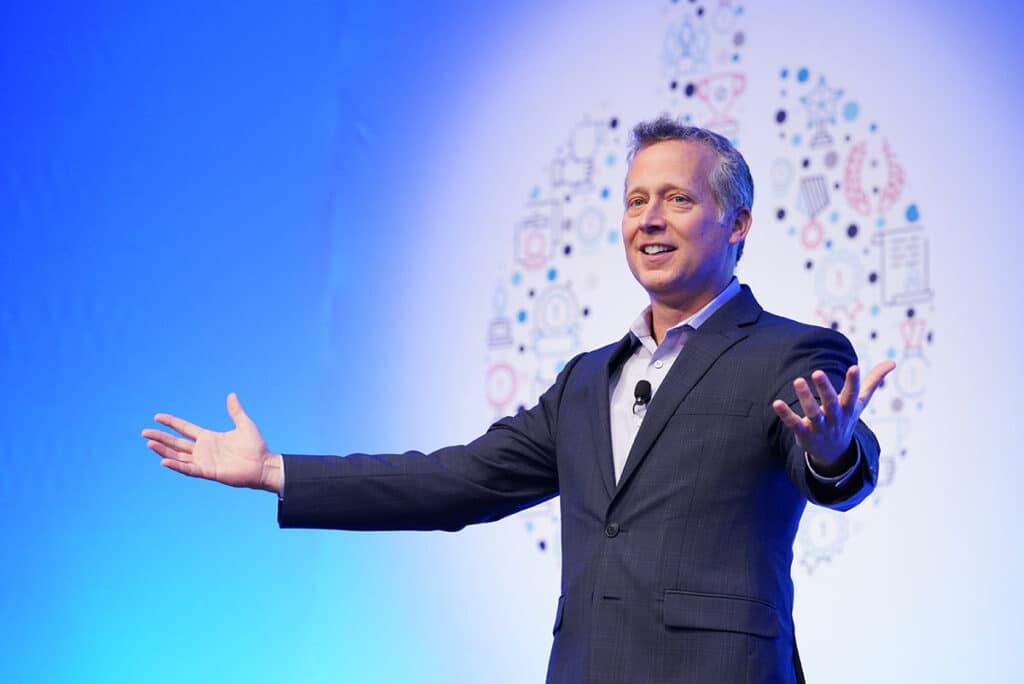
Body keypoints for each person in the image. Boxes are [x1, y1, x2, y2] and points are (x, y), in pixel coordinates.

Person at [142, 117, 894, 684]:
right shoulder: (585, 381)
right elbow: (456, 480)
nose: (649, 218)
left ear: (737, 224)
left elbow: (837, 462)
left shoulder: (790, 352)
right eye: (635, 200)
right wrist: (276, 470)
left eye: (676, 199)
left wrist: (831, 452)